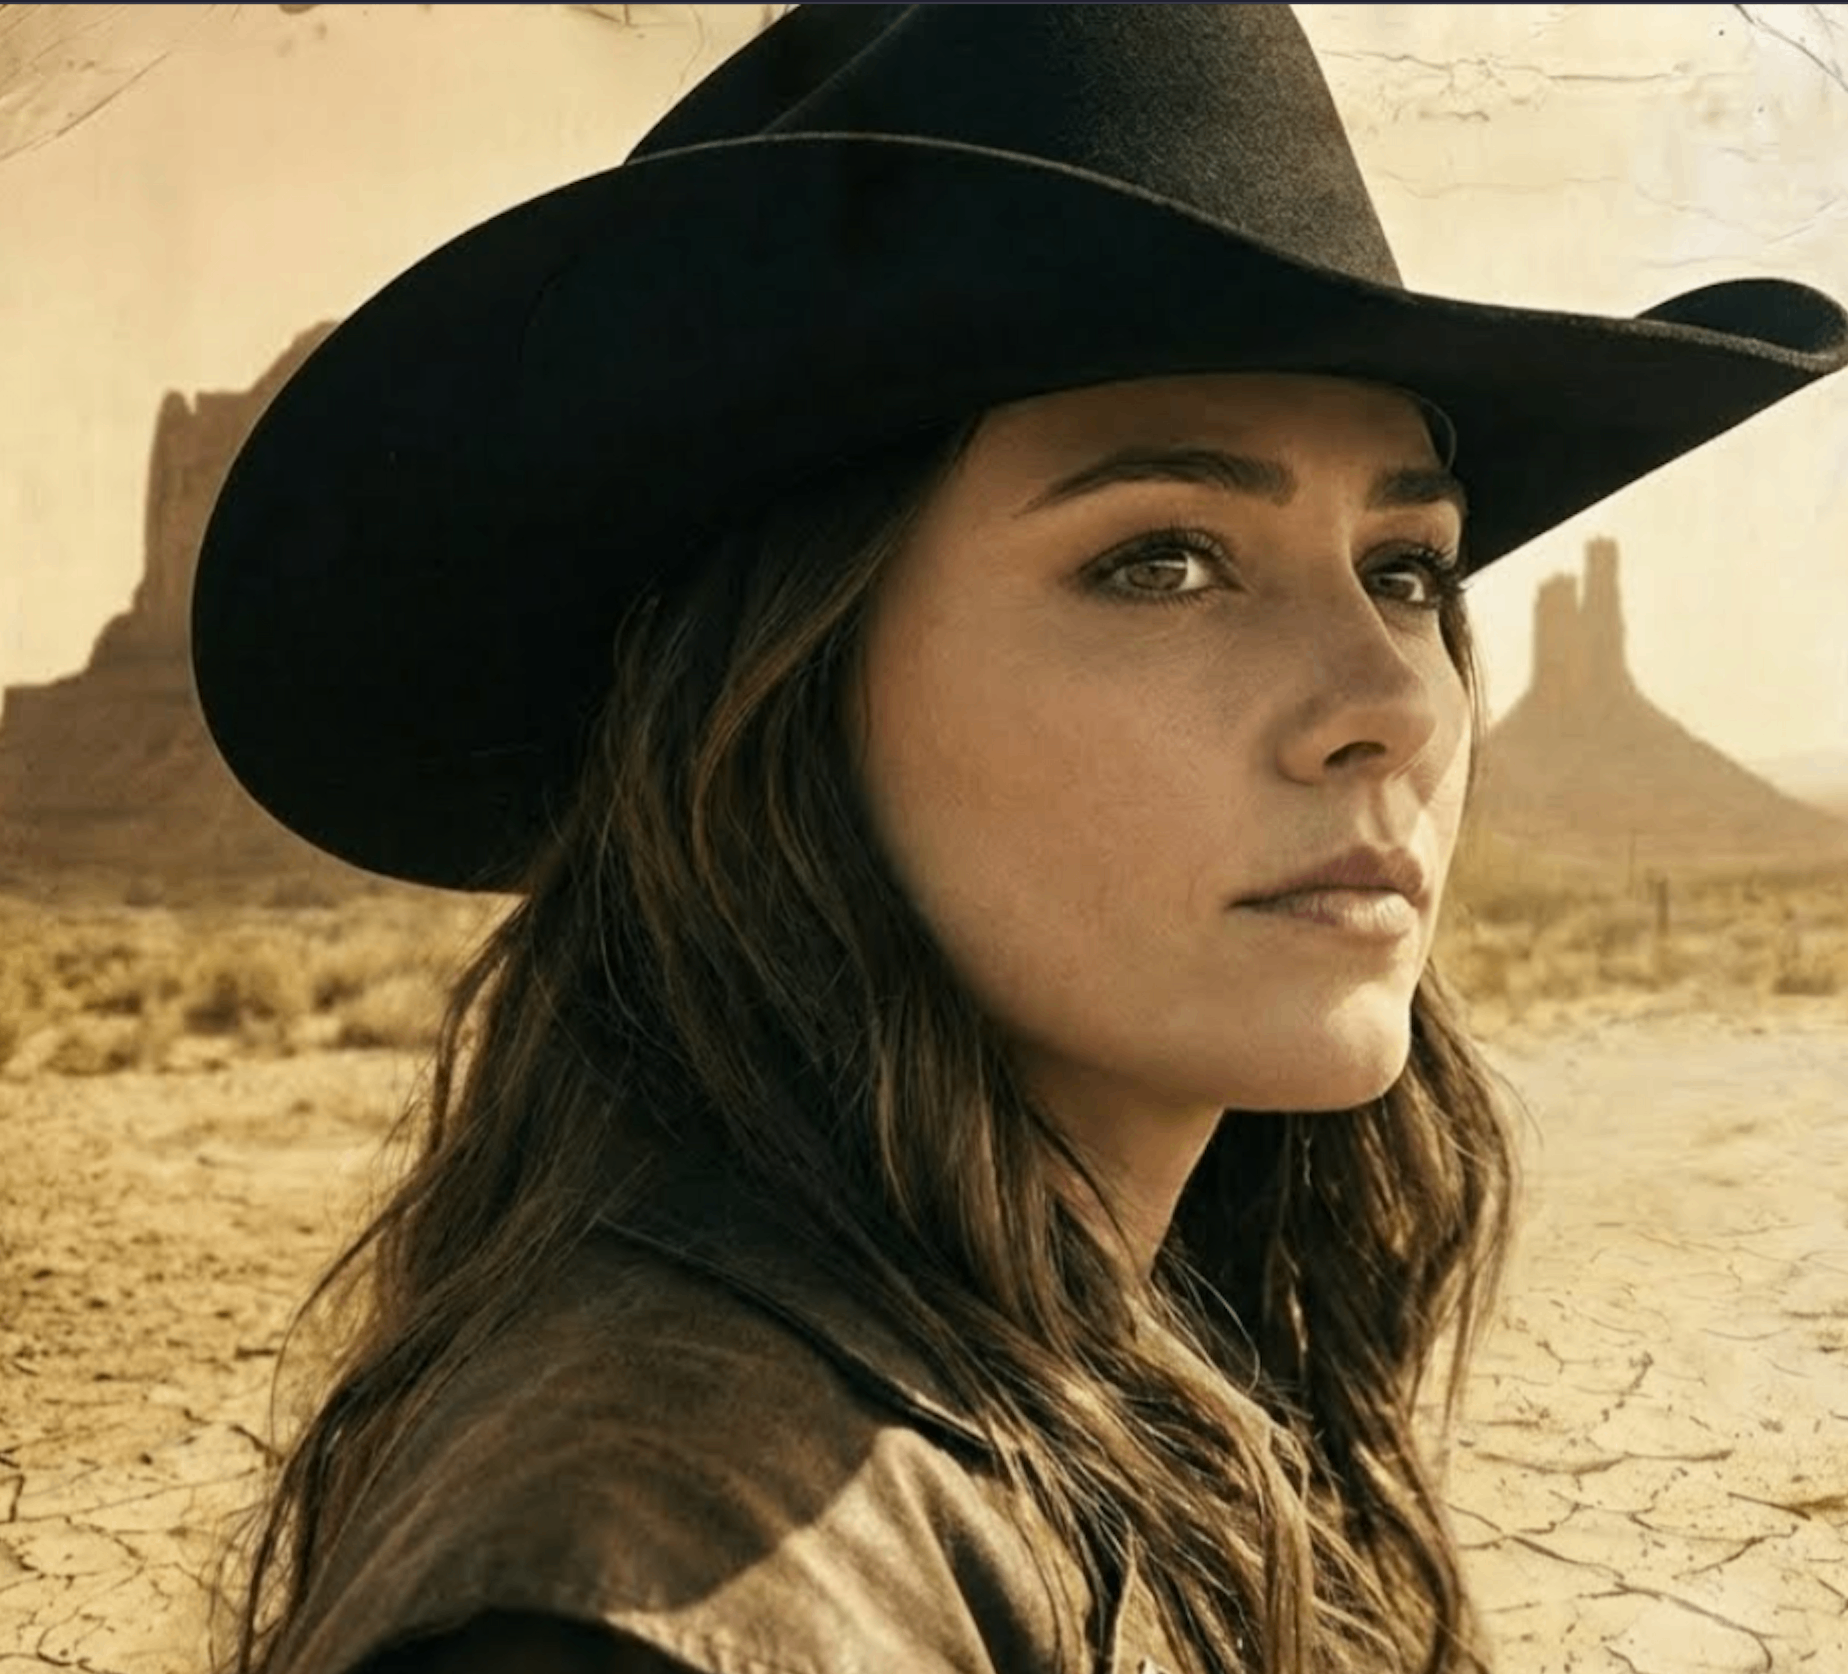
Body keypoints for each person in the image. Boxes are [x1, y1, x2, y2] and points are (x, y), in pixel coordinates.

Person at [191, 7, 1848, 1674]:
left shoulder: (1134, 1350)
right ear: (780, 702)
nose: (1386, 701)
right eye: (1163, 560)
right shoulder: (632, 1600)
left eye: (1408, 566)